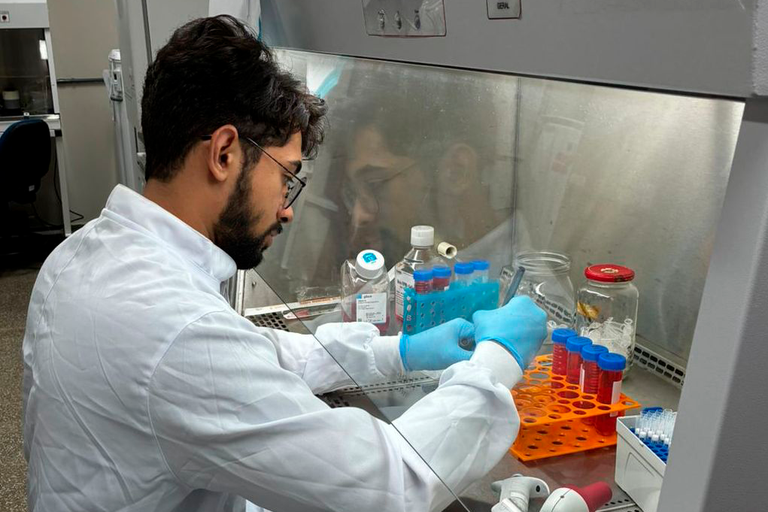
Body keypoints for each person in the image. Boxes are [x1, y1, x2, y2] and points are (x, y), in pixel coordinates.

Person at [21, 15, 547, 512]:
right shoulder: (177, 332)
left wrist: (396, 352)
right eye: (285, 176)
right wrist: (494, 365)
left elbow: (247, 354)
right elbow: (391, 484)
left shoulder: (81, 255)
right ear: (224, 153)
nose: (288, 208)